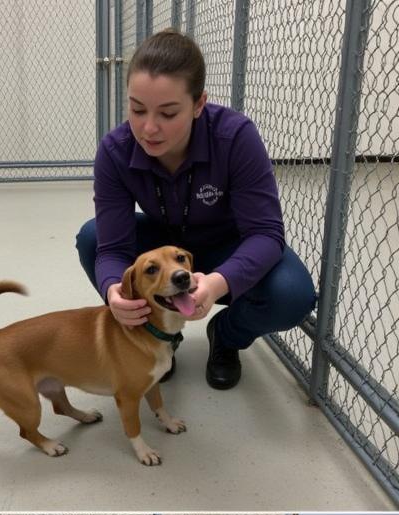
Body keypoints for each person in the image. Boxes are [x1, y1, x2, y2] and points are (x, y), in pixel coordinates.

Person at [75, 29, 316, 390]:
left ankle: (227, 336)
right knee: (92, 238)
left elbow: (266, 235)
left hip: (225, 246)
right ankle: (155, 339)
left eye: (168, 113)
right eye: (137, 109)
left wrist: (219, 283)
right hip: (163, 246)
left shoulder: (235, 137)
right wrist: (113, 291)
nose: (148, 128)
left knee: (293, 296)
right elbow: (112, 249)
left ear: (199, 104)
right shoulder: (115, 150)